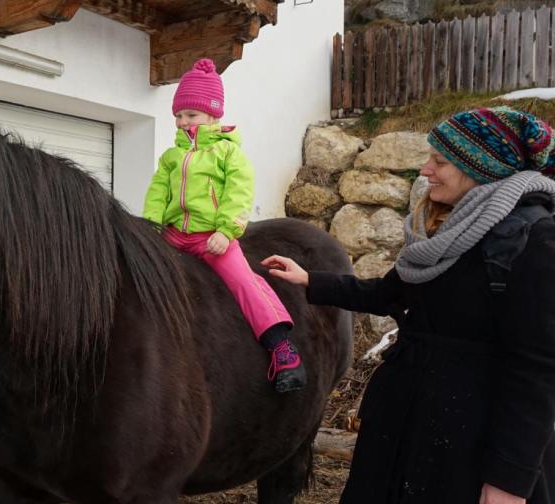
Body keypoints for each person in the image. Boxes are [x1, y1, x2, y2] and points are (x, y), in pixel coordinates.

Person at [262, 107, 555, 503]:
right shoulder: (450, 226)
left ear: (480, 168)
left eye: (439, 161)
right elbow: (390, 294)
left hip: (467, 442)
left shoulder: (533, 240)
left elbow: (536, 373)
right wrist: (311, 280)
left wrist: (509, 481)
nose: (425, 170)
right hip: (405, 422)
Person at [143, 58, 305, 393]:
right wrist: (150, 226)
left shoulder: (228, 153)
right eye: (178, 115)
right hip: (175, 235)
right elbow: (158, 192)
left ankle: (281, 348)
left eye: (191, 114)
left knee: (244, 282)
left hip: (212, 238)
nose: (183, 121)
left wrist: (225, 231)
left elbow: (238, 193)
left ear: (213, 115)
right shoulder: (171, 156)